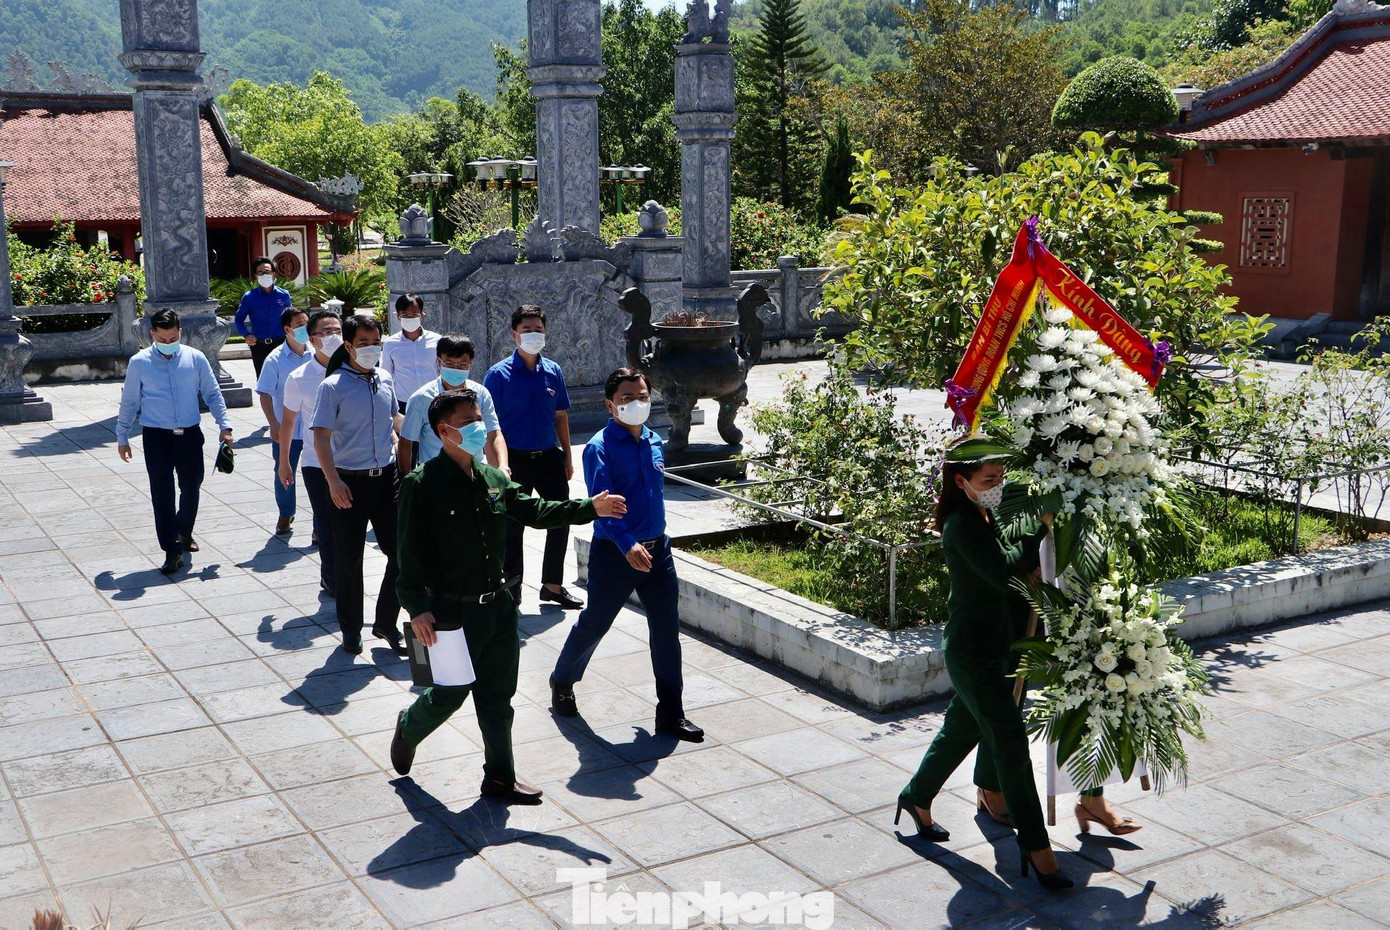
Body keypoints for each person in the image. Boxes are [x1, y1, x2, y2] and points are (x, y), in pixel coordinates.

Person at [389, 389, 628, 803]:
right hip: (448, 611)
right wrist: (417, 610)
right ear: (445, 431)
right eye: (469, 421)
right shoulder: (421, 484)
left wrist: (590, 507)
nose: (480, 427)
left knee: (498, 697)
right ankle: (409, 726)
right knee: (449, 692)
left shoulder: (495, 479)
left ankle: (500, 777)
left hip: (498, 608)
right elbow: (406, 553)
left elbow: (535, 512)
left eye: (479, 417)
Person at [896, 456, 1073, 891]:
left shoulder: (985, 511)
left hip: (1002, 643)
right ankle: (1036, 845)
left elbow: (1013, 564)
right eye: (988, 479)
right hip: (973, 652)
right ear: (962, 481)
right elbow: (1001, 570)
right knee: (1009, 737)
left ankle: (916, 796)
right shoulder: (960, 524)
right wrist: (1038, 529)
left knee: (962, 728)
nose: (998, 484)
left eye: (1000, 477)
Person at [549, 368, 704, 742]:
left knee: (667, 633)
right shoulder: (601, 447)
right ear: (610, 405)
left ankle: (671, 713)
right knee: (595, 624)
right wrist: (627, 543)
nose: (637, 404)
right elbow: (605, 506)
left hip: (658, 552)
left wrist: (649, 540)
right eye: (627, 399)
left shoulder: (653, 440)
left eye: (643, 397)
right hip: (616, 553)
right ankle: (562, 679)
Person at [310, 314, 406, 656]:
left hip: (387, 480)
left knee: (401, 554)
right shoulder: (332, 386)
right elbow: (320, 437)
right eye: (363, 343)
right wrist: (332, 480)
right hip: (348, 482)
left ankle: (385, 622)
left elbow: (397, 420)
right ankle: (351, 630)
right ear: (348, 346)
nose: (370, 348)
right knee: (349, 561)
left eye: (375, 341)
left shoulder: (385, 378)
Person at [116, 309, 234, 575]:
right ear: (153, 335)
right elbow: (130, 401)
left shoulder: (196, 358)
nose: (168, 344)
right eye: (163, 339)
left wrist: (224, 426)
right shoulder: (140, 362)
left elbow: (213, 393)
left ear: (180, 333)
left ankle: (184, 529)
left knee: (192, 486)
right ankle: (171, 549)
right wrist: (122, 436)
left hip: (190, 435)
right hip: (156, 436)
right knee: (162, 493)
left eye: (173, 338)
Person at [483, 305, 582, 610]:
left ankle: (552, 585)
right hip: (514, 461)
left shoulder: (553, 370)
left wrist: (566, 455)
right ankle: (512, 590)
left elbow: (561, 415)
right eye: (526, 330)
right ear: (514, 334)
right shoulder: (498, 375)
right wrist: (496, 468)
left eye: (538, 329)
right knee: (513, 526)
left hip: (549, 457)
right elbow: (489, 425)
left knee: (560, 518)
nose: (533, 334)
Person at [279, 309, 343, 595]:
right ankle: (331, 578)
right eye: (326, 333)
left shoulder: (355, 370)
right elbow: (289, 422)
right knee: (328, 527)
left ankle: (346, 575)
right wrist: (284, 462)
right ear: (313, 339)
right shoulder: (299, 377)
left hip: (354, 461)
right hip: (317, 464)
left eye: (337, 331)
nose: (333, 337)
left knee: (349, 528)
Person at [397, 333, 507, 473]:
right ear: (438, 361)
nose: (456, 368)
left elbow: (494, 434)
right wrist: (408, 481)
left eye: (462, 364)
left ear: (471, 363)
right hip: (436, 476)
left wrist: (503, 467)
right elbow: (406, 442)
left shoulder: (481, 394)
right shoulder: (421, 398)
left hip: (475, 473)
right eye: (449, 363)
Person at [255, 307, 312, 535]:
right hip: (286, 430)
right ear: (287, 329)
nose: (305, 329)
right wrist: (273, 423)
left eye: (307, 323)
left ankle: (320, 525)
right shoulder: (274, 359)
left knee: (320, 476)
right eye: (299, 325)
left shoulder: (318, 354)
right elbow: (264, 393)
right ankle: (285, 514)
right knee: (284, 472)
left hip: (314, 429)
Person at [234, 257, 295, 377]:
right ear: (256, 276)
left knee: (284, 378)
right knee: (263, 382)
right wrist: (246, 334)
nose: (264, 275)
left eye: (267, 271)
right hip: (259, 346)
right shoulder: (249, 297)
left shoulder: (283, 295)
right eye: (260, 272)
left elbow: (291, 316)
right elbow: (239, 319)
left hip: (281, 343)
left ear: (273, 273)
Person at [381, 294, 440, 413]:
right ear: (398, 316)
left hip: (433, 401)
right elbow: (386, 376)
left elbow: (442, 371)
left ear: (422, 315)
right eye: (405, 315)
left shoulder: (437, 340)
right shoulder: (390, 344)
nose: (410, 318)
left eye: (414, 314)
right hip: (404, 404)